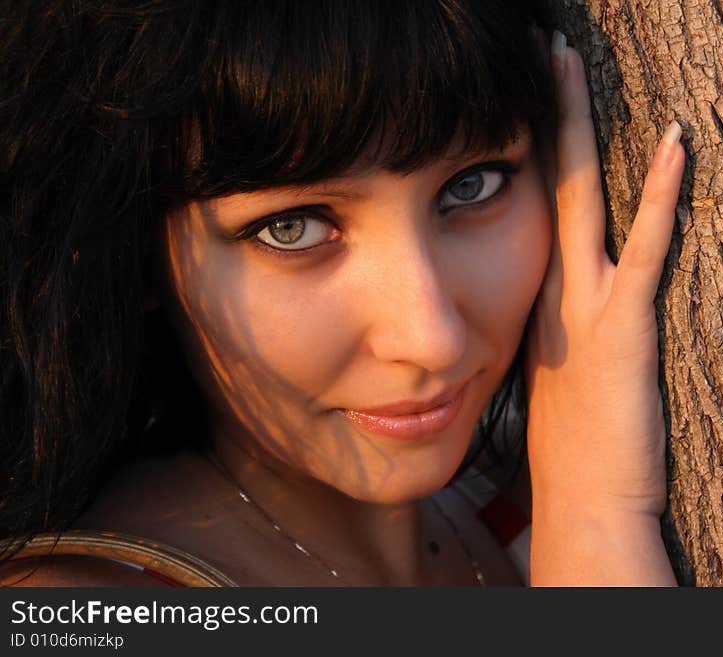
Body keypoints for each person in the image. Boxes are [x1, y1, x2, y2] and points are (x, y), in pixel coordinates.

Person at [0, 0, 684, 586]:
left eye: (471, 185)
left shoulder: (514, 500)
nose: (431, 337)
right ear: (143, 252)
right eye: (292, 229)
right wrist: (594, 527)